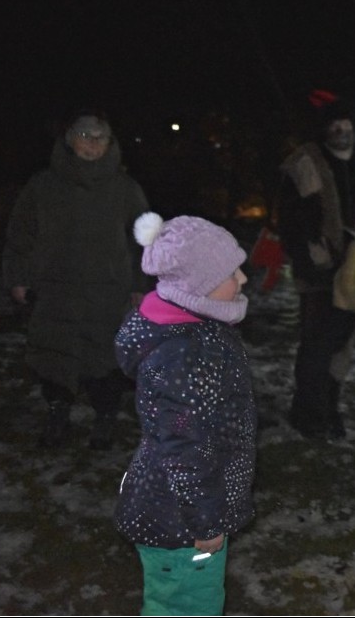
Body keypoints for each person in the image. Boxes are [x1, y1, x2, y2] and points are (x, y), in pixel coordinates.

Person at [114, 212, 257, 616]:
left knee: (192, 601)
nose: (244, 279)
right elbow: (185, 446)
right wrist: (206, 522)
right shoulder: (183, 355)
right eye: (232, 272)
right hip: (180, 519)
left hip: (184, 509)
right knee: (185, 605)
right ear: (198, 285)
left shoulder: (194, 329)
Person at [2, 110, 150, 450]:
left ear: (110, 143)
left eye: (100, 138)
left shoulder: (125, 189)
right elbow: (21, 233)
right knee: (54, 354)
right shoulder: (43, 186)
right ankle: (57, 412)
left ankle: (105, 416)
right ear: (70, 140)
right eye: (85, 136)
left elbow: (144, 240)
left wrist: (140, 285)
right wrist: (18, 277)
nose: (92, 144)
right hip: (55, 289)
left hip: (108, 291)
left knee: (106, 357)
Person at [276, 90, 355, 440]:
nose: (341, 130)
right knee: (316, 344)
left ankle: (330, 408)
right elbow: (289, 221)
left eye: (346, 123)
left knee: (342, 344)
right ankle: (309, 413)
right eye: (335, 124)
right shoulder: (305, 163)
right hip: (320, 271)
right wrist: (310, 257)